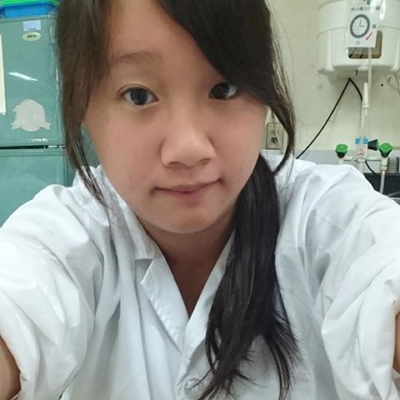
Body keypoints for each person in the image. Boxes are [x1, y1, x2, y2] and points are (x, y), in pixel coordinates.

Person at [1, 0, 400, 399]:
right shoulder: (69, 233)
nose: (188, 148)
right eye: (138, 95)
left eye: (224, 89)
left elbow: (383, 266)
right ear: (82, 107)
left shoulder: (325, 216)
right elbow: (18, 295)